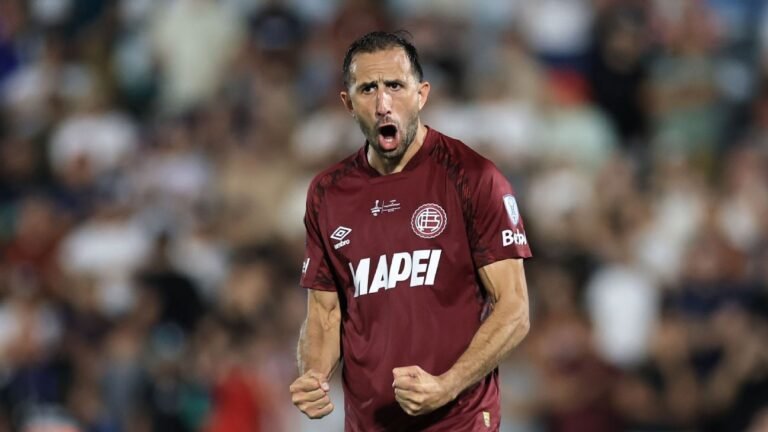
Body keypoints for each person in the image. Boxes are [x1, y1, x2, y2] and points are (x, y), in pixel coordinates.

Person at [289, 31, 532, 431]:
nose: (383, 104)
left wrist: (446, 385)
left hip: (459, 421)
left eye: (395, 86)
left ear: (421, 95)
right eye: (368, 89)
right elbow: (325, 312)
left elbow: (514, 309)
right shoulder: (327, 193)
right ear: (348, 103)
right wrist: (314, 375)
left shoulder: (473, 177)